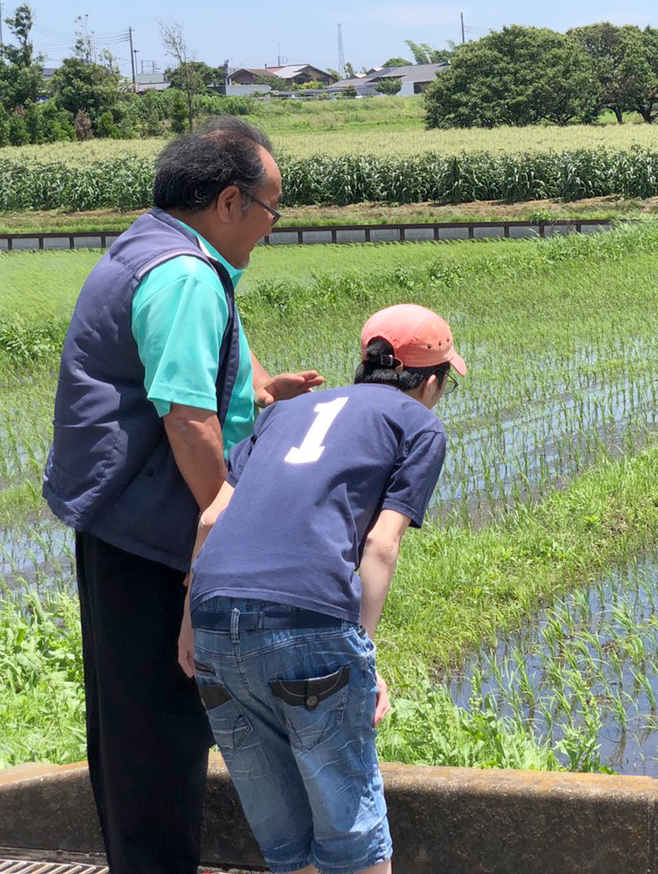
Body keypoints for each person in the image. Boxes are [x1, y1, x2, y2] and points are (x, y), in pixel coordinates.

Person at [42, 117, 323, 874]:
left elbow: (203, 369)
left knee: (131, 722)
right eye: (272, 209)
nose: (271, 228)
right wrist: (226, 518)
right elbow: (189, 416)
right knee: (160, 733)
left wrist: (261, 388)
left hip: (121, 524)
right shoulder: (185, 276)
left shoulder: (155, 244)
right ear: (230, 201)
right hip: (153, 534)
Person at [179, 304, 463, 874]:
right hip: (306, 620)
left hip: (212, 623)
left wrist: (189, 624)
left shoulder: (284, 413)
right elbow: (380, 546)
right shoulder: (418, 424)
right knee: (352, 837)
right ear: (430, 382)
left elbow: (211, 518)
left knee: (285, 838)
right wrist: (360, 650)